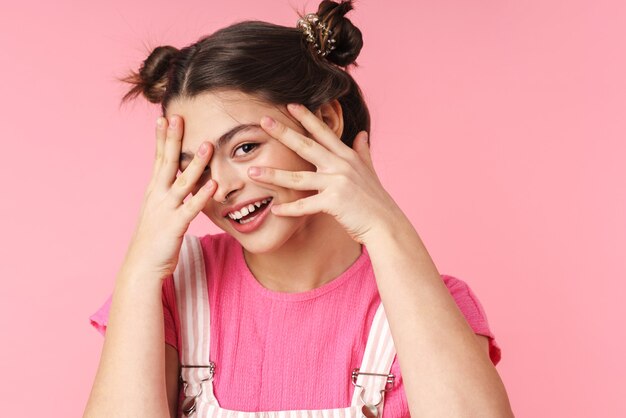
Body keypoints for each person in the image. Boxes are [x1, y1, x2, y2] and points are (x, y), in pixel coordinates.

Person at [83, 1, 514, 417]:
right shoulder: (171, 289)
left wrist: (384, 227)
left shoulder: (429, 301)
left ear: (326, 121)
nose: (223, 188)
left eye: (246, 147)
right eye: (194, 165)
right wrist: (139, 269)